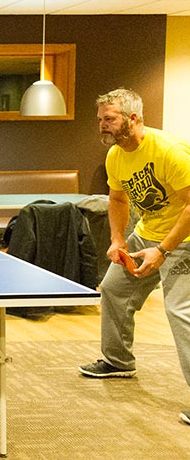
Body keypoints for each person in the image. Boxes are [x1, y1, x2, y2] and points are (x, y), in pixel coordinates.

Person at [79, 88, 190, 427]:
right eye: (100, 120)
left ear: (133, 118)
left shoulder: (170, 152)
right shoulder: (117, 155)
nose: (102, 126)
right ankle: (118, 362)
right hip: (147, 233)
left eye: (109, 119)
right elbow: (118, 200)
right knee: (113, 288)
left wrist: (164, 250)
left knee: (180, 311)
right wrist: (118, 240)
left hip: (183, 239)